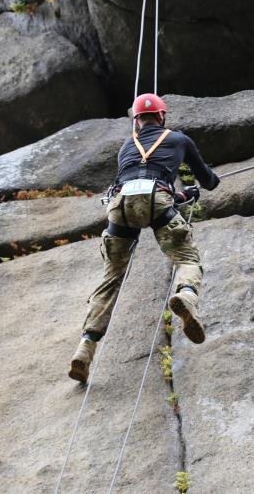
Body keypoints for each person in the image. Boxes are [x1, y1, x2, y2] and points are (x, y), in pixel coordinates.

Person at [68, 93, 220, 383]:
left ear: (136, 121)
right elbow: (208, 181)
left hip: (121, 205)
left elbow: (135, 181)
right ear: (161, 116)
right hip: (157, 201)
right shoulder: (179, 139)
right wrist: (193, 190)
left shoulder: (126, 145)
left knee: (110, 279)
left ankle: (85, 348)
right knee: (187, 259)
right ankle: (186, 296)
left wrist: (176, 195)